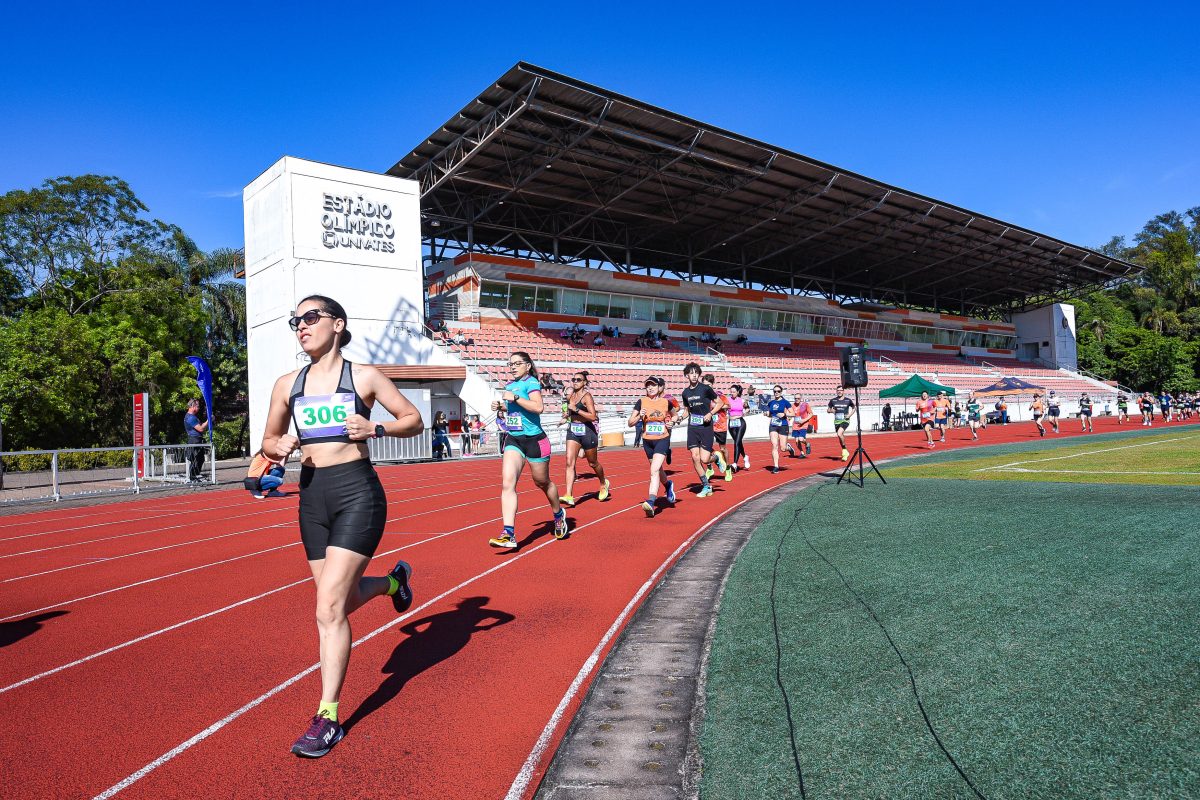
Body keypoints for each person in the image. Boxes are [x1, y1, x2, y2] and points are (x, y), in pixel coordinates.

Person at [260, 295, 422, 758]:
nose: (301, 326)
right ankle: (394, 583)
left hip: (356, 494)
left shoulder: (365, 376)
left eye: (311, 317)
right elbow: (268, 440)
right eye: (296, 321)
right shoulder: (287, 384)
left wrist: (378, 430)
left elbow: (413, 418)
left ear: (337, 323)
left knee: (328, 607)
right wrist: (281, 444)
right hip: (312, 498)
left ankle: (327, 716)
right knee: (342, 601)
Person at [489, 351, 570, 549]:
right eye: (510, 364)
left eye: (517, 363)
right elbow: (517, 410)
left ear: (528, 365)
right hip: (514, 439)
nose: (513, 367)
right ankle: (508, 533)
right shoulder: (509, 385)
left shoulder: (531, 382)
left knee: (542, 482)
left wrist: (514, 398)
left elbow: (537, 407)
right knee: (508, 483)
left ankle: (558, 514)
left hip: (535, 440)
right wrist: (502, 406)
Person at [560, 371, 610, 506]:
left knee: (593, 463)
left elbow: (593, 416)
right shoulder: (571, 396)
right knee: (569, 462)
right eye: (573, 379)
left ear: (584, 383)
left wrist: (576, 409)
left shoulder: (587, 397)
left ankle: (603, 483)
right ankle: (569, 495)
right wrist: (565, 417)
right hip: (573, 430)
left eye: (578, 379)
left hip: (587, 431)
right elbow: (570, 412)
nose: (575, 381)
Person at [630, 376, 677, 517]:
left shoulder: (665, 402)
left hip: (662, 438)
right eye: (648, 386)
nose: (650, 388)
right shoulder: (641, 402)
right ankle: (668, 485)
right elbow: (630, 422)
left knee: (654, 470)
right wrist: (639, 416)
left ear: (659, 387)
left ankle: (651, 501)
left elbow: (674, 415)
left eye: (653, 385)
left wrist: (672, 422)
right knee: (657, 470)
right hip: (648, 441)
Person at [677, 362, 723, 497]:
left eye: (696, 373)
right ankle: (706, 486)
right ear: (686, 375)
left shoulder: (705, 389)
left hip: (706, 427)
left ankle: (716, 457)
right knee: (695, 458)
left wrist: (710, 413)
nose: (694, 375)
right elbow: (687, 411)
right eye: (691, 373)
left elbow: (720, 403)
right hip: (693, 427)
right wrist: (680, 419)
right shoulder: (685, 393)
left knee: (704, 459)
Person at [702, 374, 734, 481]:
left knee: (722, 448)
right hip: (708, 425)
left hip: (720, 425)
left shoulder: (719, 395)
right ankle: (710, 467)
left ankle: (728, 468)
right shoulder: (702, 396)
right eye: (705, 385)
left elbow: (728, 405)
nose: (707, 387)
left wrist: (716, 407)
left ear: (712, 384)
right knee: (705, 448)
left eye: (709, 385)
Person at [766, 384, 791, 473]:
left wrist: (784, 414)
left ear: (781, 392)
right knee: (774, 445)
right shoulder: (771, 402)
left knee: (783, 448)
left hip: (783, 425)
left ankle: (788, 447)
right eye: (775, 391)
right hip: (773, 425)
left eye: (778, 391)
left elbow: (793, 413)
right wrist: (766, 414)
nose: (776, 393)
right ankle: (776, 466)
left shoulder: (785, 402)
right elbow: (770, 414)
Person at [183, 398, 209, 482]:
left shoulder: (192, 417)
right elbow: (201, 428)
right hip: (194, 440)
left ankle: (195, 476)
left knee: (200, 459)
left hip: (197, 439)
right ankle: (192, 477)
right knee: (195, 459)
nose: (199, 408)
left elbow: (201, 426)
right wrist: (208, 421)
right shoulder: (190, 417)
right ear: (192, 406)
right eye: (197, 406)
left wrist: (209, 421)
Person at [828, 386, 856, 461]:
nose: (839, 391)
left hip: (845, 420)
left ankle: (844, 451)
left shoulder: (848, 400)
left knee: (839, 434)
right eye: (838, 390)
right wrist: (831, 411)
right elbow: (828, 410)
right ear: (836, 391)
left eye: (841, 390)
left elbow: (854, 408)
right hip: (837, 421)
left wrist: (849, 415)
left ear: (843, 391)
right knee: (840, 436)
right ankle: (845, 451)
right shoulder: (833, 400)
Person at [727, 384, 750, 471]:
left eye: (734, 392)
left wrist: (742, 414)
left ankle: (735, 464)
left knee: (736, 443)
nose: (732, 393)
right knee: (738, 442)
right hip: (731, 423)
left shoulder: (742, 400)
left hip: (740, 422)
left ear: (738, 392)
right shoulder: (728, 400)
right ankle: (745, 456)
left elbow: (748, 409)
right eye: (731, 392)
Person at [789, 393, 814, 458]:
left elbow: (811, 414)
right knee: (797, 441)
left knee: (801, 439)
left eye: (798, 398)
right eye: (795, 398)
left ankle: (807, 444)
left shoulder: (805, 405)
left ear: (801, 399)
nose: (797, 399)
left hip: (803, 424)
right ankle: (802, 453)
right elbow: (791, 415)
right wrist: (788, 419)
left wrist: (804, 420)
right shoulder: (792, 405)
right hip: (795, 425)